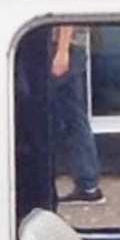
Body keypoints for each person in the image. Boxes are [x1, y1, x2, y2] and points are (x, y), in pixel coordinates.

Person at [45, 23, 104, 202]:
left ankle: (87, 182)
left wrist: (62, 52)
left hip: (64, 47)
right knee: (72, 116)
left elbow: (65, 15)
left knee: (70, 118)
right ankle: (88, 183)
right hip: (70, 47)